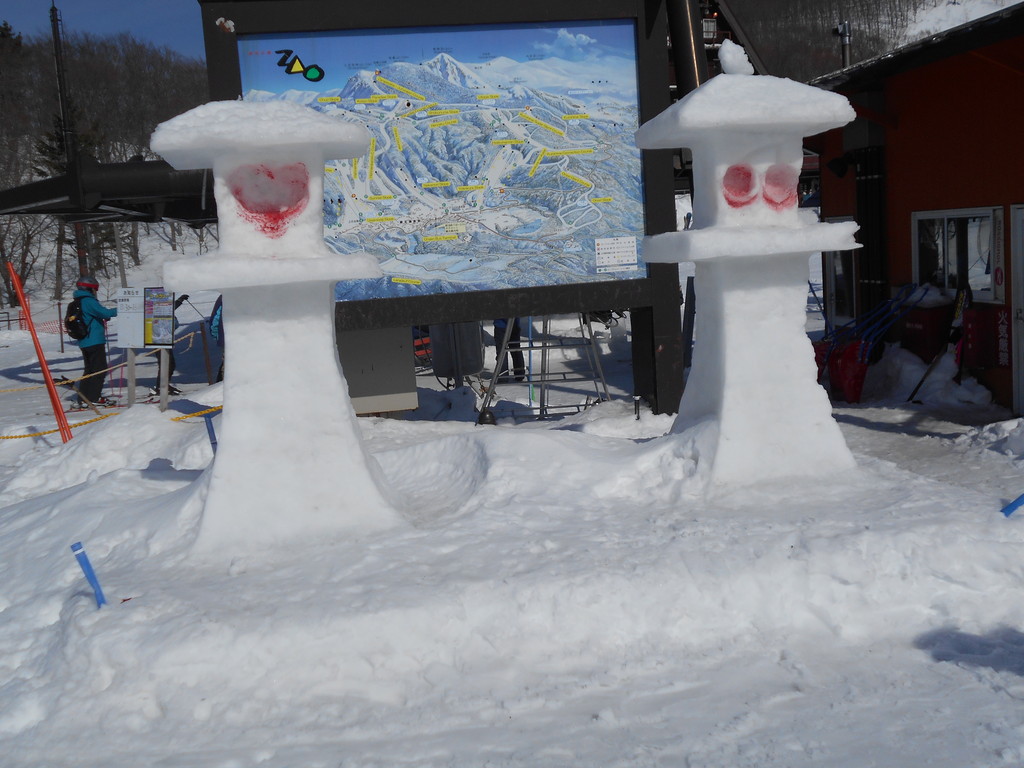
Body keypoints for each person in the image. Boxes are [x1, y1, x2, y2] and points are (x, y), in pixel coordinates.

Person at [72, 274, 118, 407]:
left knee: (90, 370)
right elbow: (105, 313)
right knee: (99, 370)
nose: (95, 292)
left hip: (84, 341)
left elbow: (94, 315)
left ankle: (84, 398)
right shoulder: (88, 301)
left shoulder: (78, 300)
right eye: (94, 289)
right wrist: (125, 307)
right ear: (89, 288)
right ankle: (93, 398)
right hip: (94, 340)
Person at [150, 293, 188, 397]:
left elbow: (171, 308)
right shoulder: (158, 312)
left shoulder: (163, 310)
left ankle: (163, 385)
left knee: (169, 364)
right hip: (159, 340)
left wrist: (179, 301)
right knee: (167, 364)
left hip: (164, 339)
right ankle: (161, 386)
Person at [209, 294, 224, 382]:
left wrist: (217, 336)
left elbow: (215, 320)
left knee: (228, 364)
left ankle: (221, 385)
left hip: (227, 338)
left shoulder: (224, 296)